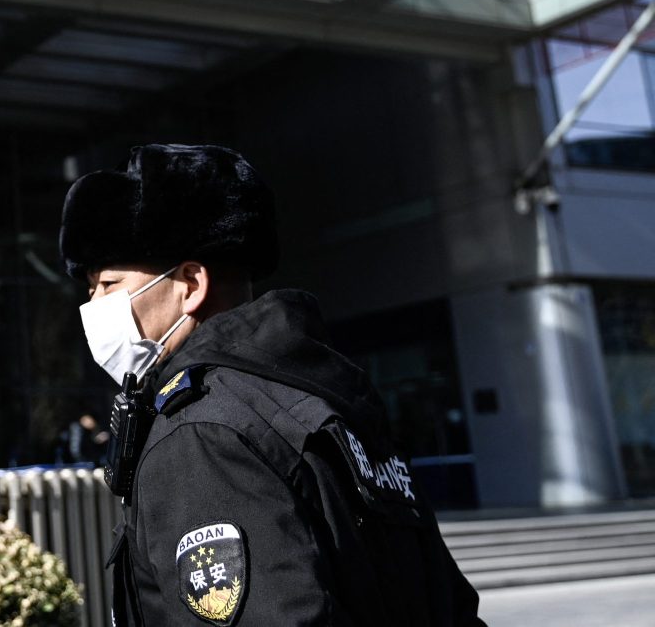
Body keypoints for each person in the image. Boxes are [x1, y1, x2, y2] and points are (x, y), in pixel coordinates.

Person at [60, 144, 484, 627]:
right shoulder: (326, 401)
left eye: (108, 284)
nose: (93, 306)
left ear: (190, 285)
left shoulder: (203, 434)